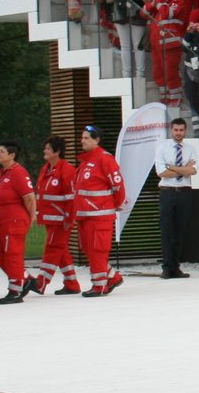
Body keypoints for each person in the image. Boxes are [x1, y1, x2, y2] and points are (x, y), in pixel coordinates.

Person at [72, 125, 125, 297]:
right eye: (82, 137)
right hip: (86, 215)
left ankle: (99, 285)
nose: (83, 141)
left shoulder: (104, 159)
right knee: (89, 249)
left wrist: (114, 205)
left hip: (100, 216)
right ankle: (112, 277)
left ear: (97, 140)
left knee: (97, 250)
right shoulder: (86, 160)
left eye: (87, 138)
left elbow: (118, 185)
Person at [26, 136, 80, 296]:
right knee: (60, 250)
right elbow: (40, 193)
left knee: (52, 249)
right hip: (49, 219)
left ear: (57, 152)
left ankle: (41, 282)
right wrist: (37, 213)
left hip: (60, 221)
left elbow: (71, 199)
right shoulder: (46, 169)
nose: (45, 151)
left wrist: (69, 219)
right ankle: (72, 283)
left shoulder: (67, 171)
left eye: (48, 148)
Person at [0, 141, 37, 304]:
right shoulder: (3, 173)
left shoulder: (18, 172)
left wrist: (31, 218)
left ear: (11, 155)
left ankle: (15, 289)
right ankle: (24, 277)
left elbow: (29, 197)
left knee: (12, 254)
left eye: (2, 151)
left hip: (13, 220)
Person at [154, 118, 198, 279]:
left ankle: (176, 267)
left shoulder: (190, 149)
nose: (178, 133)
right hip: (168, 192)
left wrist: (171, 166)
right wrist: (183, 168)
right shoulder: (162, 148)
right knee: (167, 231)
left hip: (185, 192)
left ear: (185, 131)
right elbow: (161, 172)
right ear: (171, 130)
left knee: (180, 231)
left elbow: (193, 171)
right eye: (176, 130)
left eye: (181, 130)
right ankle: (167, 267)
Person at [104, 0, 153, 81]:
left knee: (138, 45)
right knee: (124, 45)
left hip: (137, 14)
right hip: (121, 14)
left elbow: (149, 1)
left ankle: (140, 75)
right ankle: (126, 74)